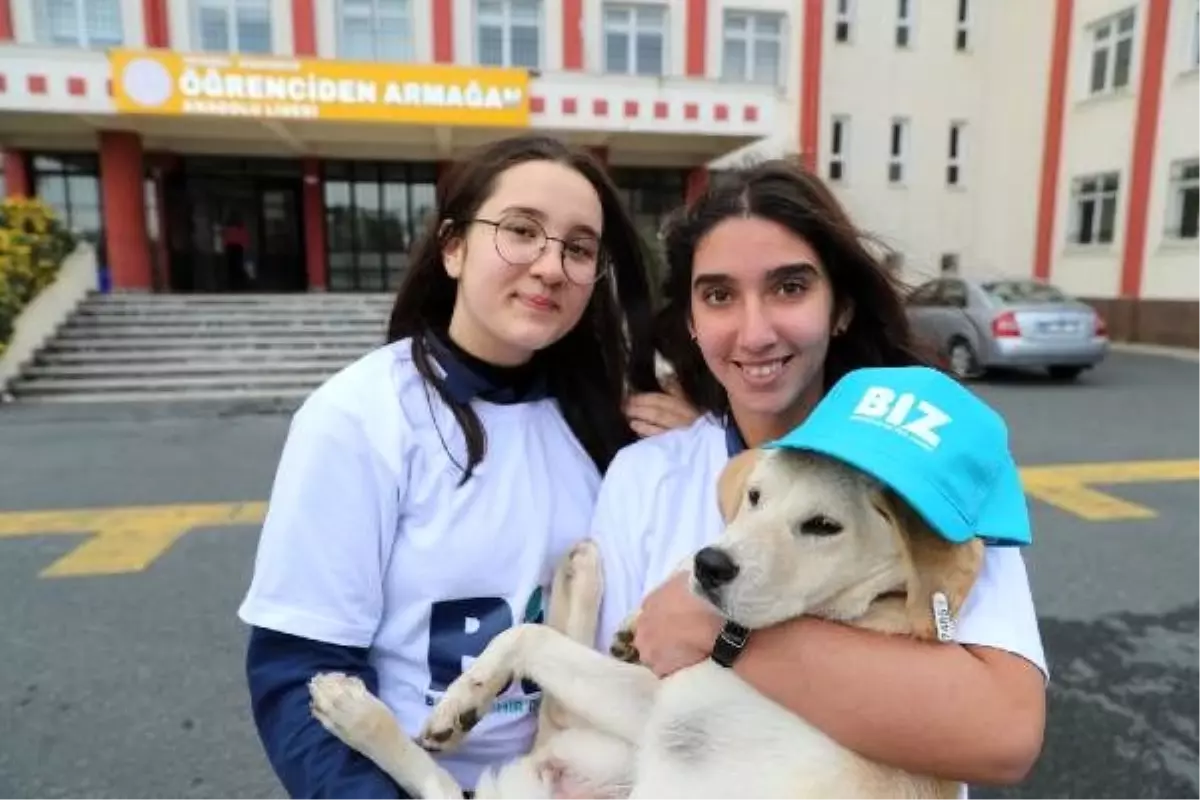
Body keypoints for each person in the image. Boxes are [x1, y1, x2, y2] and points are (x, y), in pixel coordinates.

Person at [236, 133, 694, 799]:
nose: (550, 266)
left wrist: (693, 458)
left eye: (578, 248)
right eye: (521, 231)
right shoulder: (359, 417)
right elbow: (299, 671)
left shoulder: (612, 423)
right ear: (452, 247)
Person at [593, 159, 1047, 795]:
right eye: (719, 296)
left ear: (841, 307)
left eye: (789, 288)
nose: (755, 332)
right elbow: (623, 697)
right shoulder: (646, 475)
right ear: (691, 322)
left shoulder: (922, 454)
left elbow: (1002, 733)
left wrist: (721, 631)